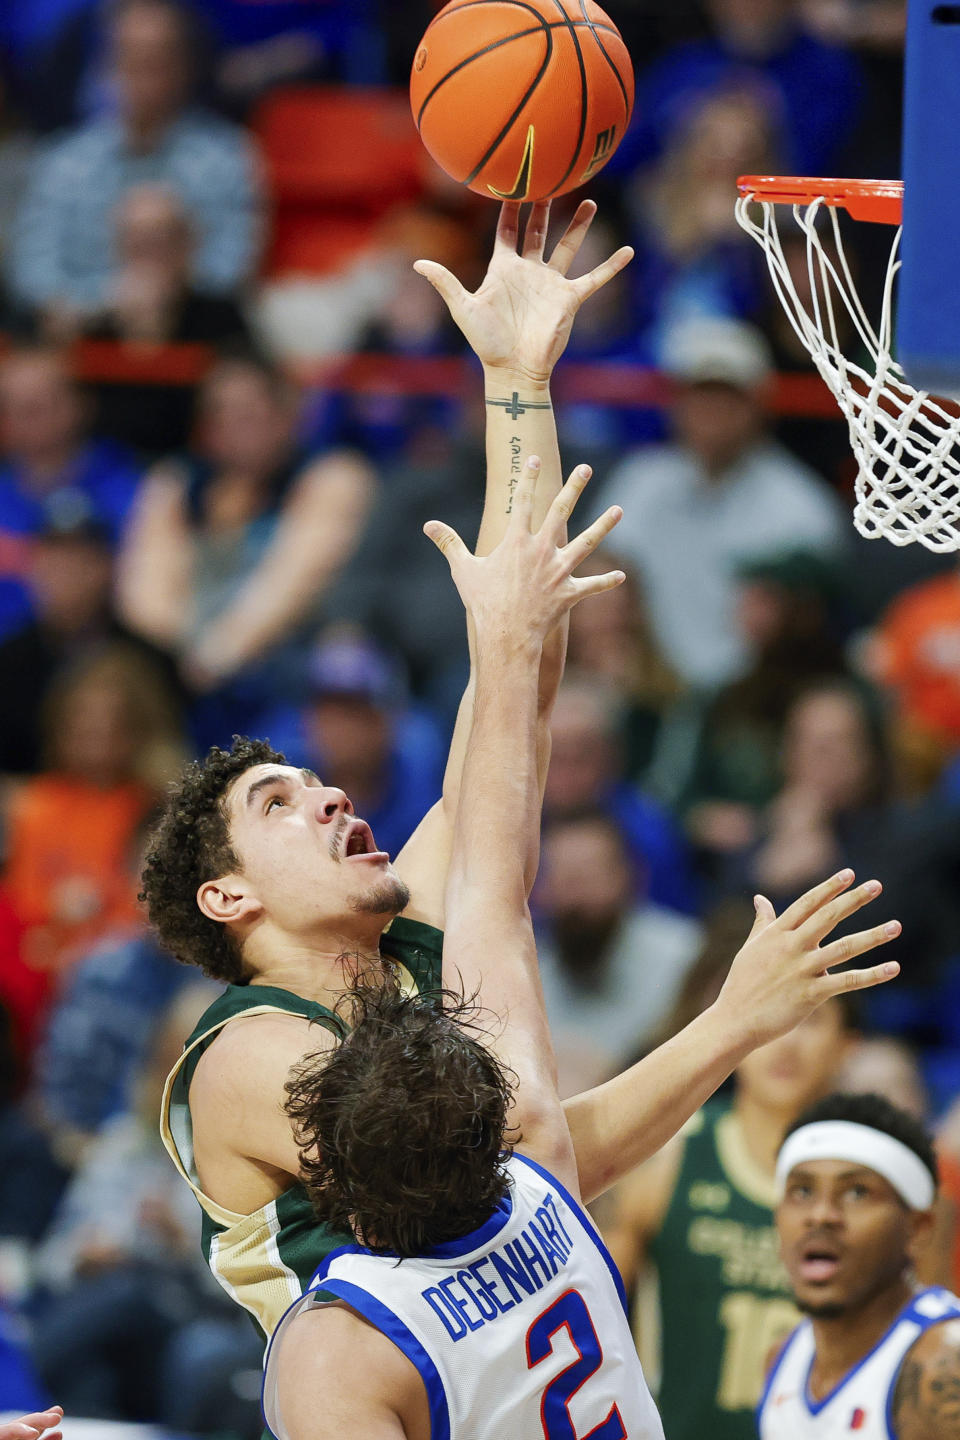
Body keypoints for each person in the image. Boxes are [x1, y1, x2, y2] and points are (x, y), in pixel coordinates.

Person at [261, 450, 900, 1440]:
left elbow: (495, 828)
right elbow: (496, 860)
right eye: (275, 805)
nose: (325, 801)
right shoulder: (540, 1189)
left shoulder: (339, 1350)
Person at [146, 199, 637, 1342]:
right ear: (230, 896)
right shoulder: (244, 1056)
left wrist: (518, 385)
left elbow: (523, 692)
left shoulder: (406, 949)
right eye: (281, 802)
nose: (332, 793)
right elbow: (518, 1171)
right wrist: (726, 1035)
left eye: (319, 781)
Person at [603, 979, 858, 1440]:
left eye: (812, 1019)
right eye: (777, 1015)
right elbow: (585, 1309)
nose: (789, 1042)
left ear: (847, 1045)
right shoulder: (670, 1155)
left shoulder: (873, 1187)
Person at [593, 316, 848, 688]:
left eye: (726, 395)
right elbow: (597, 587)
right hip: (646, 688)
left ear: (758, 405)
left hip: (758, 699)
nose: (710, 410)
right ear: (676, 402)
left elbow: (812, 639)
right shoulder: (640, 483)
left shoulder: (802, 508)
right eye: (698, 393)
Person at [7, 0, 262, 331]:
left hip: (194, 333)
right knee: (30, 379)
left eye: (157, 59)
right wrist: (108, 300)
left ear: (185, 66)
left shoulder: (228, 156)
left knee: (238, 382)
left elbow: (231, 268)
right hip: (79, 334)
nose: (143, 71)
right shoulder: (64, 161)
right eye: (130, 56)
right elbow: (32, 274)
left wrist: (169, 291)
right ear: (105, 65)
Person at [760, 1092, 960, 1439]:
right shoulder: (782, 1357)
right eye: (802, 1191)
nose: (821, 1215)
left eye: (857, 1193)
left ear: (917, 1228)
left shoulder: (940, 1368)